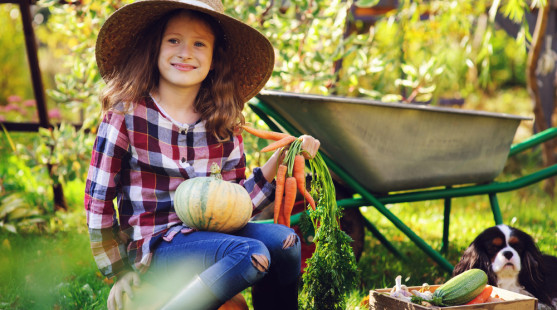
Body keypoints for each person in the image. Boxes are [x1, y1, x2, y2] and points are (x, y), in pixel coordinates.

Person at [85, 0, 320, 309]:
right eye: (174, 40)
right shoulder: (126, 114)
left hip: (212, 236)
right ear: (154, 46)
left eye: (199, 43)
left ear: (214, 58)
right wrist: (118, 271)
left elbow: (237, 206)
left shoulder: (221, 120)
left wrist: (279, 162)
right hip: (156, 246)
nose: (185, 52)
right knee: (252, 254)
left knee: (286, 243)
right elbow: (98, 200)